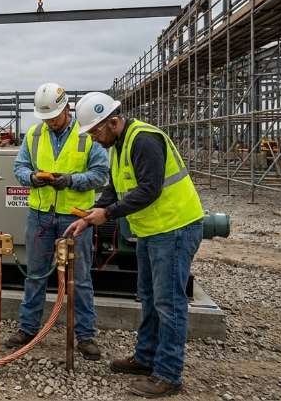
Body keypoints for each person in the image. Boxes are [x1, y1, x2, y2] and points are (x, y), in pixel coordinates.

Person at [66, 92, 204, 399]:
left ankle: (168, 374)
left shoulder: (143, 140)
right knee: (149, 296)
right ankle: (145, 358)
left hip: (175, 227)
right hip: (153, 230)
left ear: (113, 122)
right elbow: (115, 188)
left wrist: (108, 214)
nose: (93, 138)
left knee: (168, 302)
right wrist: (91, 217)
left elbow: (150, 189)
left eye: (95, 132)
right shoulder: (119, 145)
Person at [8, 83, 109, 360]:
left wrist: (72, 181)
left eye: (54, 116)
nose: (50, 122)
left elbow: (101, 174)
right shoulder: (34, 133)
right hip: (40, 215)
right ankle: (27, 329)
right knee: (36, 274)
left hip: (74, 216)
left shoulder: (86, 134)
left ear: (67, 108)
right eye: (46, 118)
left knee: (81, 279)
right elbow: (19, 167)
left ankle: (85, 336)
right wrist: (31, 178)